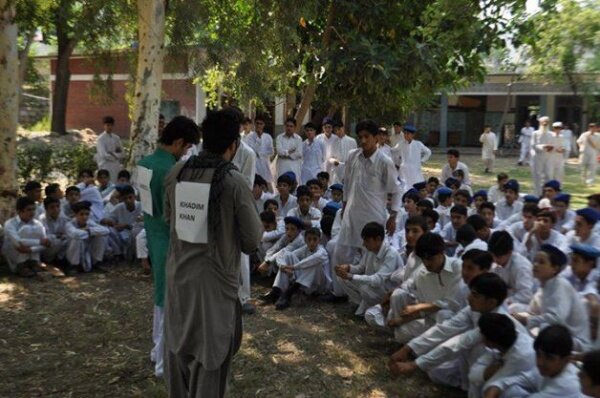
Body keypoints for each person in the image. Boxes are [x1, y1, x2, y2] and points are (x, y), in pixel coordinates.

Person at [162, 108, 261, 398]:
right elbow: (252, 241)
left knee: (179, 349)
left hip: (179, 277)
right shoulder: (233, 182)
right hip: (214, 287)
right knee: (211, 358)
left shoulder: (177, 173)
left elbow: (170, 220)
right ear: (233, 145)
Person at [137, 115, 200, 378]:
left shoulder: (145, 163)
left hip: (154, 238)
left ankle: (156, 352)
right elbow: (178, 214)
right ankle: (164, 363)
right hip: (171, 242)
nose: (185, 153)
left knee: (160, 300)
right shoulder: (172, 171)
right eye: (185, 148)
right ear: (177, 142)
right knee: (171, 304)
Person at [388, 273, 520, 391]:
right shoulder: (473, 310)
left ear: (491, 302)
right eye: (471, 293)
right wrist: (408, 348)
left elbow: (458, 344)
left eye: (475, 295)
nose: (468, 298)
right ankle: (468, 385)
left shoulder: (496, 323)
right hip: (480, 365)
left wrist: (414, 365)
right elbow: (444, 329)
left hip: (509, 373)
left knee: (474, 348)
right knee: (436, 371)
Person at [330, 120, 401, 301]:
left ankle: (365, 300)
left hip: (372, 217)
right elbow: (346, 184)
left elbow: (396, 190)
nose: (363, 141)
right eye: (360, 137)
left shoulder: (385, 162)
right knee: (340, 253)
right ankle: (339, 293)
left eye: (366, 137)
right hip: (351, 214)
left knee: (368, 262)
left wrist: (392, 216)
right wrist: (344, 208)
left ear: (376, 138)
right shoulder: (353, 156)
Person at [386, 232, 464, 343]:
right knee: (401, 333)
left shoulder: (458, 268)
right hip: (430, 321)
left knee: (444, 315)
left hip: (454, 322)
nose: (427, 263)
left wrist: (420, 307)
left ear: (441, 253)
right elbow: (425, 310)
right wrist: (402, 319)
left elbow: (451, 304)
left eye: (430, 259)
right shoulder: (422, 273)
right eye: (423, 259)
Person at [513, 244, 590, 351]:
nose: (535, 265)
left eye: (541, 262)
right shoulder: (546, 285)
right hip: (561, 335)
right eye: (535, 261)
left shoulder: (560, 285)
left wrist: (528, 320)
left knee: (541, 332)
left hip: (576, 341)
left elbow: (557, 319)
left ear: (555, 269)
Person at [483, 325, 581, 397]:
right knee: (511, 390)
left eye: (549, 358)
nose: (541, 362)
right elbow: (508, 382)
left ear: (566, 360)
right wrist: (495, 387)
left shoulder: (566, 384)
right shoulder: (546, 370)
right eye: (538, 355)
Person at [334, 222, 401, 316]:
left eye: (367, 241)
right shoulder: (371, 250)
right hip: (373, 287)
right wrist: (347, 268)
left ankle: (374, 308)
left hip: (387, 292)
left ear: (378, 239)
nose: (364, 244)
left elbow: (378, 280)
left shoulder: (391, 254)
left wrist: (351, 276)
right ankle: (362, 304)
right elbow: (360, 268)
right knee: (341, 278)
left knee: (364, 287)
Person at [468, 313, 535, 398]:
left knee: (507, 392)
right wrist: (488, 371)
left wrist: (488, 372)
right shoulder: (510, 339)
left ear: (490, 342)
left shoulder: (520, 356)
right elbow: (473, 374)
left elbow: (492, 387)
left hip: (531, 391)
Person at [271, 227, 330, 310]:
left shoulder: (321, 251)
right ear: (305, 240)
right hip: (305, 284)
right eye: (309, 239)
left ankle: (289, 293)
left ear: (319, 240)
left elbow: (312, 259)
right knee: (287, 253)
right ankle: (278, 291)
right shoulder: (305, 248)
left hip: (320, 286)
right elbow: (287, 255)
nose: (312, 242)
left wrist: (293, 267)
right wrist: (283, 266)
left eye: (314, 239)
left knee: (314, 263)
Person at [2, 196, 50, 277]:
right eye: (29, 210)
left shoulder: (37, 223)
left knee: (35, 228)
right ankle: (22, 266)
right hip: (15, 253)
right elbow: (19, 243)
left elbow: (46, 243)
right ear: (19, 211)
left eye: (33, 209)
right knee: (26, 229)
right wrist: (39, 242)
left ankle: (33, 263)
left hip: (30, 252)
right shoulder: (10, 224)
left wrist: (31, 250)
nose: (32, 212)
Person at [488, 231, 534, 312]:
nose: (495, 260)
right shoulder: (495, 264)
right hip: (506, 300)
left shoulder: (522, 267)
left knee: (511, 309)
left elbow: (526, 296)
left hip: (527, 305)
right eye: (493, 256)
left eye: (498, 257)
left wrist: (505, 301)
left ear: (509, 252)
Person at [65, 201, 110, 275]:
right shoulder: (69, 224)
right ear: (75, 214)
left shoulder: (89, 222)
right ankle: (74, 266)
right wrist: (90, 232)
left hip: (87, 251)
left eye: (87, 214)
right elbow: (76, 234)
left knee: (100, 237)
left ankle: (97, 262)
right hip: (73, 254)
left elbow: (106, 230)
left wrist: (89, 231)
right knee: (76, 240)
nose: (84, 217)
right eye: (81, 214)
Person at [246, 115, 274, 190]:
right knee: (255, 186)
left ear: (264, 125)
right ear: (254, 124)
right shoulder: (249, 137)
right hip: (254, 165)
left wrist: (261, 154)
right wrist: (258, 138)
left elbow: (271, 152)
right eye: (257, 123)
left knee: (268, 189)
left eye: (261, 123)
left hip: (265, 164)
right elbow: (251, 151)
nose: (259, 125)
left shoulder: (268, 137)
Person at [39, 197, 69, 266]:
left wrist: (61, 236)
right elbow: (44, 237)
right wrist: (57, 236)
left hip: (60, 245)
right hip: (46, 248)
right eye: (52, 207)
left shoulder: (63, 218)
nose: (56, 209)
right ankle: (48, 261)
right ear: (46, 209)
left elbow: (68, 233)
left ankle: (60, 260)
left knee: (70, 240)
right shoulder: (42, 219)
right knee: (55, 242)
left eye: (57, 206)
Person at [95, 116, 123, 183]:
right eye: (107, 125)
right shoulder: (101, 139)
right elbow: (104, 154)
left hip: (116, 165)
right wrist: (114, 156)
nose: (109, 127)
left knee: (116, 182)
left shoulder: (116, 138)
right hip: (106, 165)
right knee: (107, 182)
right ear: (104, 126)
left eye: (111, 125)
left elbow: (122, 152)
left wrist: (113, 154)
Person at [275, 117, 303, 184]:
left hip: (294, 167)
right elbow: (279, 152)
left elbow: (299, 153)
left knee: (294, 187)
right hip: (282, 167)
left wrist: (284, 154)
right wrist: (289, 152)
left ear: (295, 127)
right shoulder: (279, 137)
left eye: (291, 126)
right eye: (287, 126)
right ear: (285, 126)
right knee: (282, 185)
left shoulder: (298, 139)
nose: (289, 128)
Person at [531, 116, 553, 195]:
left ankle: (547, 193)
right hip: (538, 157)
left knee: (548, 175)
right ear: (540, 123)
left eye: (546, 122)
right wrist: (543, 146)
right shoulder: (535, 133)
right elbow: (533, 145)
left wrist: (551, 148)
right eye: (543, 122)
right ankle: (537, 193)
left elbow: (554, 145)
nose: (545, 124)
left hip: (548, 157)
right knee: (537, 175)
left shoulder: (551, 134)